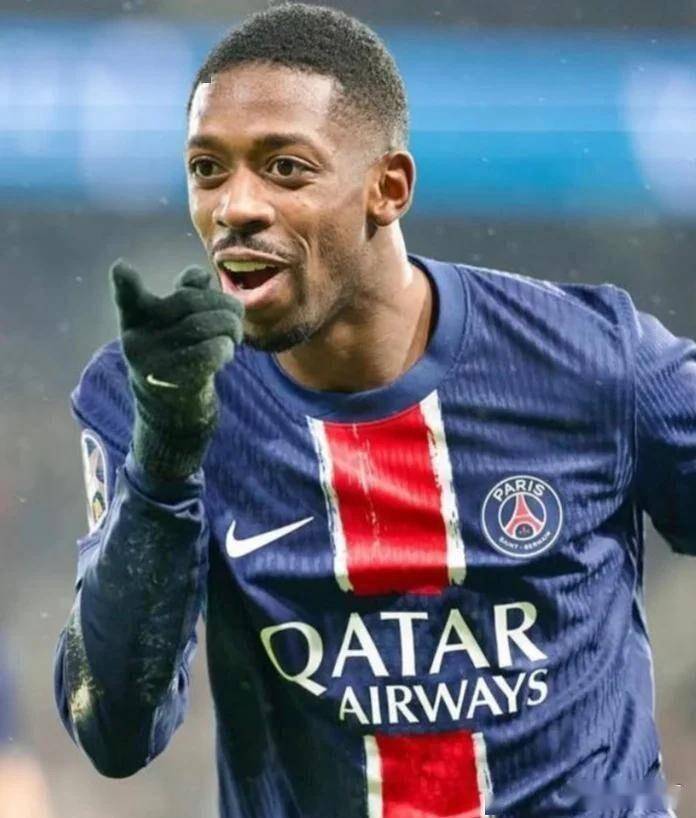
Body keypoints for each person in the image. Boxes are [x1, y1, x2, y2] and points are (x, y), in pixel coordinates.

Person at [53, 4, 692, 816]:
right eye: (208, 168)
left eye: (285, 168)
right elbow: (113, 731)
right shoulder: (157, 394)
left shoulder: (593, 362)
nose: (235, 205)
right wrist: (165, 461)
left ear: (387, 189)